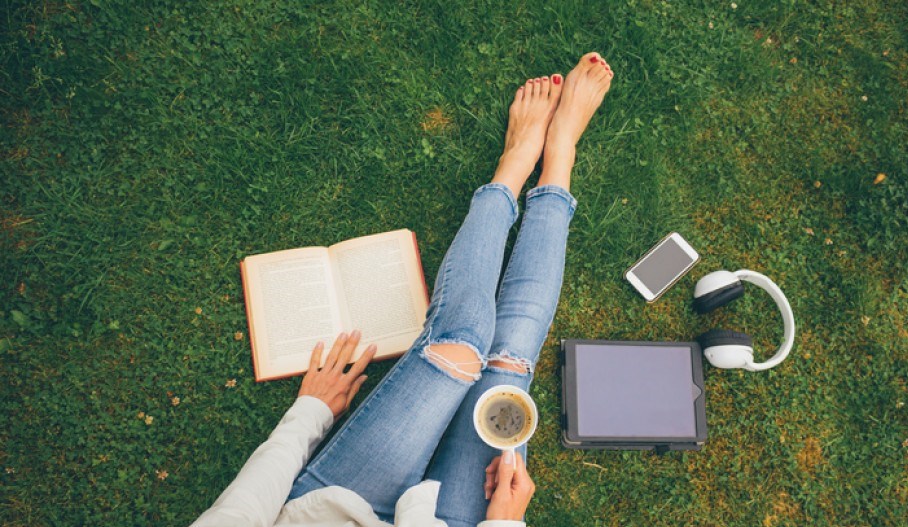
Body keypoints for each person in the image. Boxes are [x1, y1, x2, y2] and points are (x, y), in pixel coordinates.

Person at [192, 52, 613, 527]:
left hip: (343, 509)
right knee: (510, 366)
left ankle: (514, 166)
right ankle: (559, 156)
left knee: (463, 343)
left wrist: (309, 413)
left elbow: (239, 514)